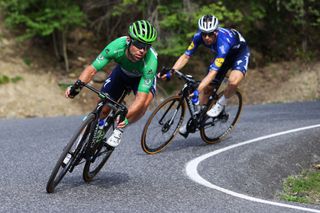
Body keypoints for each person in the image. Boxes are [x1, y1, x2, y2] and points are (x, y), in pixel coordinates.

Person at [65, 20, 158, 147]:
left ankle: (120, 129)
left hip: (141, 78)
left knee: (143, 105)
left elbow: (140, 98)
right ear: (129, 40)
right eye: (139, 44)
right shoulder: (116, 46)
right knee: (103, 108)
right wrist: (76, 87)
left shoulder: (150, 62)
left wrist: (126, 117)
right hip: (122, 73)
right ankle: (83, 141)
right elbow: (92, 69)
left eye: (147, 46)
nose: (142, 50)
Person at [159, 15, 250, 137]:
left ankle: (221, 104)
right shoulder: (198, 37)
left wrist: (197, 90)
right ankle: (197, 120)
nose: (207, 37)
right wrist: (172, 71)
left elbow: (213, 73)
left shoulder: (223, 42)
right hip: (221, 57)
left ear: (216, 32)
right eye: (204, 34)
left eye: (210, 34)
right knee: (207, 89)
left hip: (238, 54)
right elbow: (186, 56)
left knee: (233, 81)